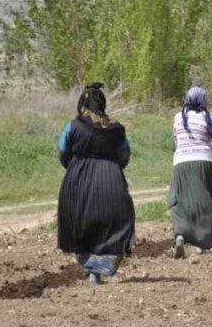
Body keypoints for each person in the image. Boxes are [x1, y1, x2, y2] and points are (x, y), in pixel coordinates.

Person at [56, 83, 135, 284]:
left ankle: (91, 268)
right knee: (116, 224)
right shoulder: (116, 128)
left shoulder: (73, 126)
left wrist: (75, 167)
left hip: (77, 179)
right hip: (111, 178)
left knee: (79, 223)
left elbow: (63, 151)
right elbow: (125, 155)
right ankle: (98, 269)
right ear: (103, 103)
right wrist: (113, 170)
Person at [170, 87, 212, 259]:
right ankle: (202, 244)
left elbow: (176, 142)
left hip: (181, 164)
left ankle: (180, 235)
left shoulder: (178, 118)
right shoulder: (209, 119)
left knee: (180, 201)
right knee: (210, 202)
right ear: (203, 101)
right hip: (203, 164)